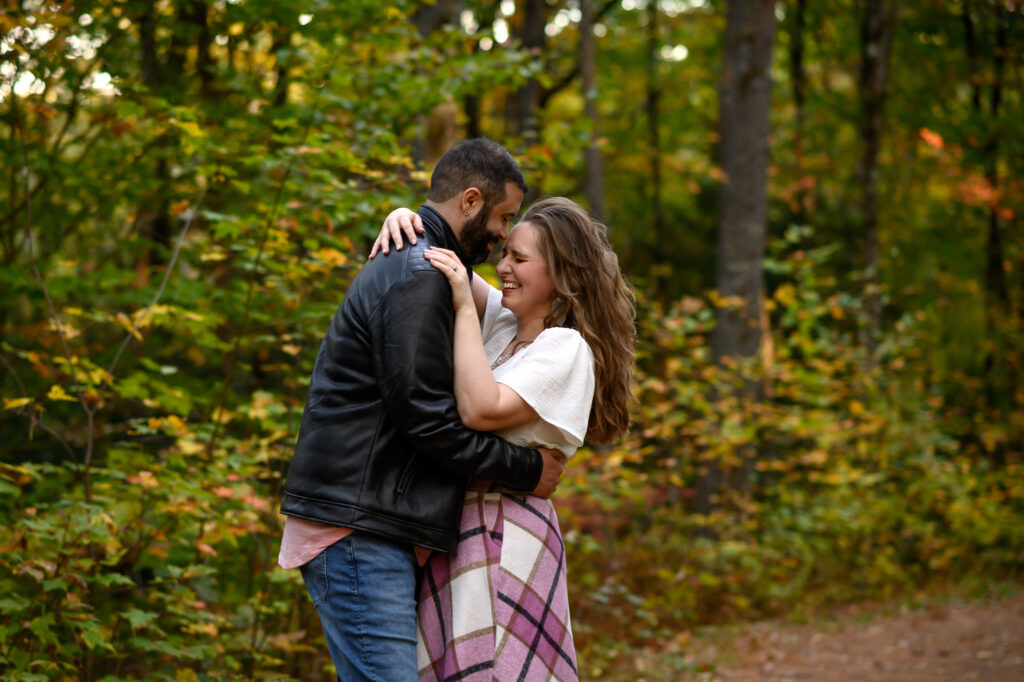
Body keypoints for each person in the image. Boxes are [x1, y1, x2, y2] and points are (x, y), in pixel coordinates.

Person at [278, 138, 567, 682]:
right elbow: (427, 419)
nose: (503, 235)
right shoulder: (419, 273)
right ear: (471, 201)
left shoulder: (430, 265)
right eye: (504, 217)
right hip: (358, 529)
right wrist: (527, 469)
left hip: (371, 522)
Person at [375, 196, 636, 681]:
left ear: (560, 274)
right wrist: (405, 220)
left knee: (496, 668)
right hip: (457, 527)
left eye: (519, 258)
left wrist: (462, 306)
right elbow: (434, 257)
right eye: (504, 254)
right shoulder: (504, 323)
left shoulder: (565, 348)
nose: (503, 267)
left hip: (505, 529)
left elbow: (481, 408)